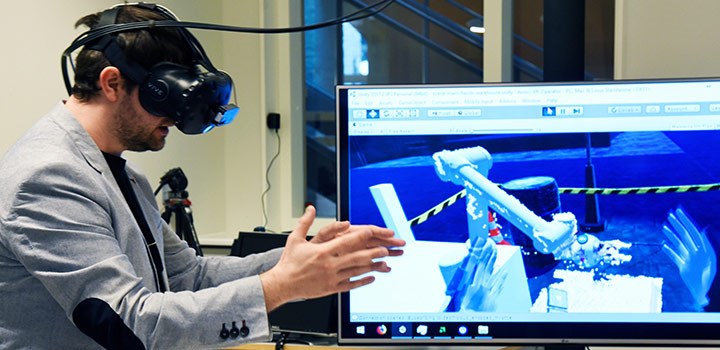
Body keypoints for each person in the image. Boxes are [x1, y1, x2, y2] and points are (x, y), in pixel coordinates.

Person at [0, 4, 405, 350]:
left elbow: (188, 276)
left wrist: (304, 255)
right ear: (111, 83)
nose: (176, 120)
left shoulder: (121, 174)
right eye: (166, 100)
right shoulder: (48, 177)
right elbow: (129, 324)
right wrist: (281, 286)